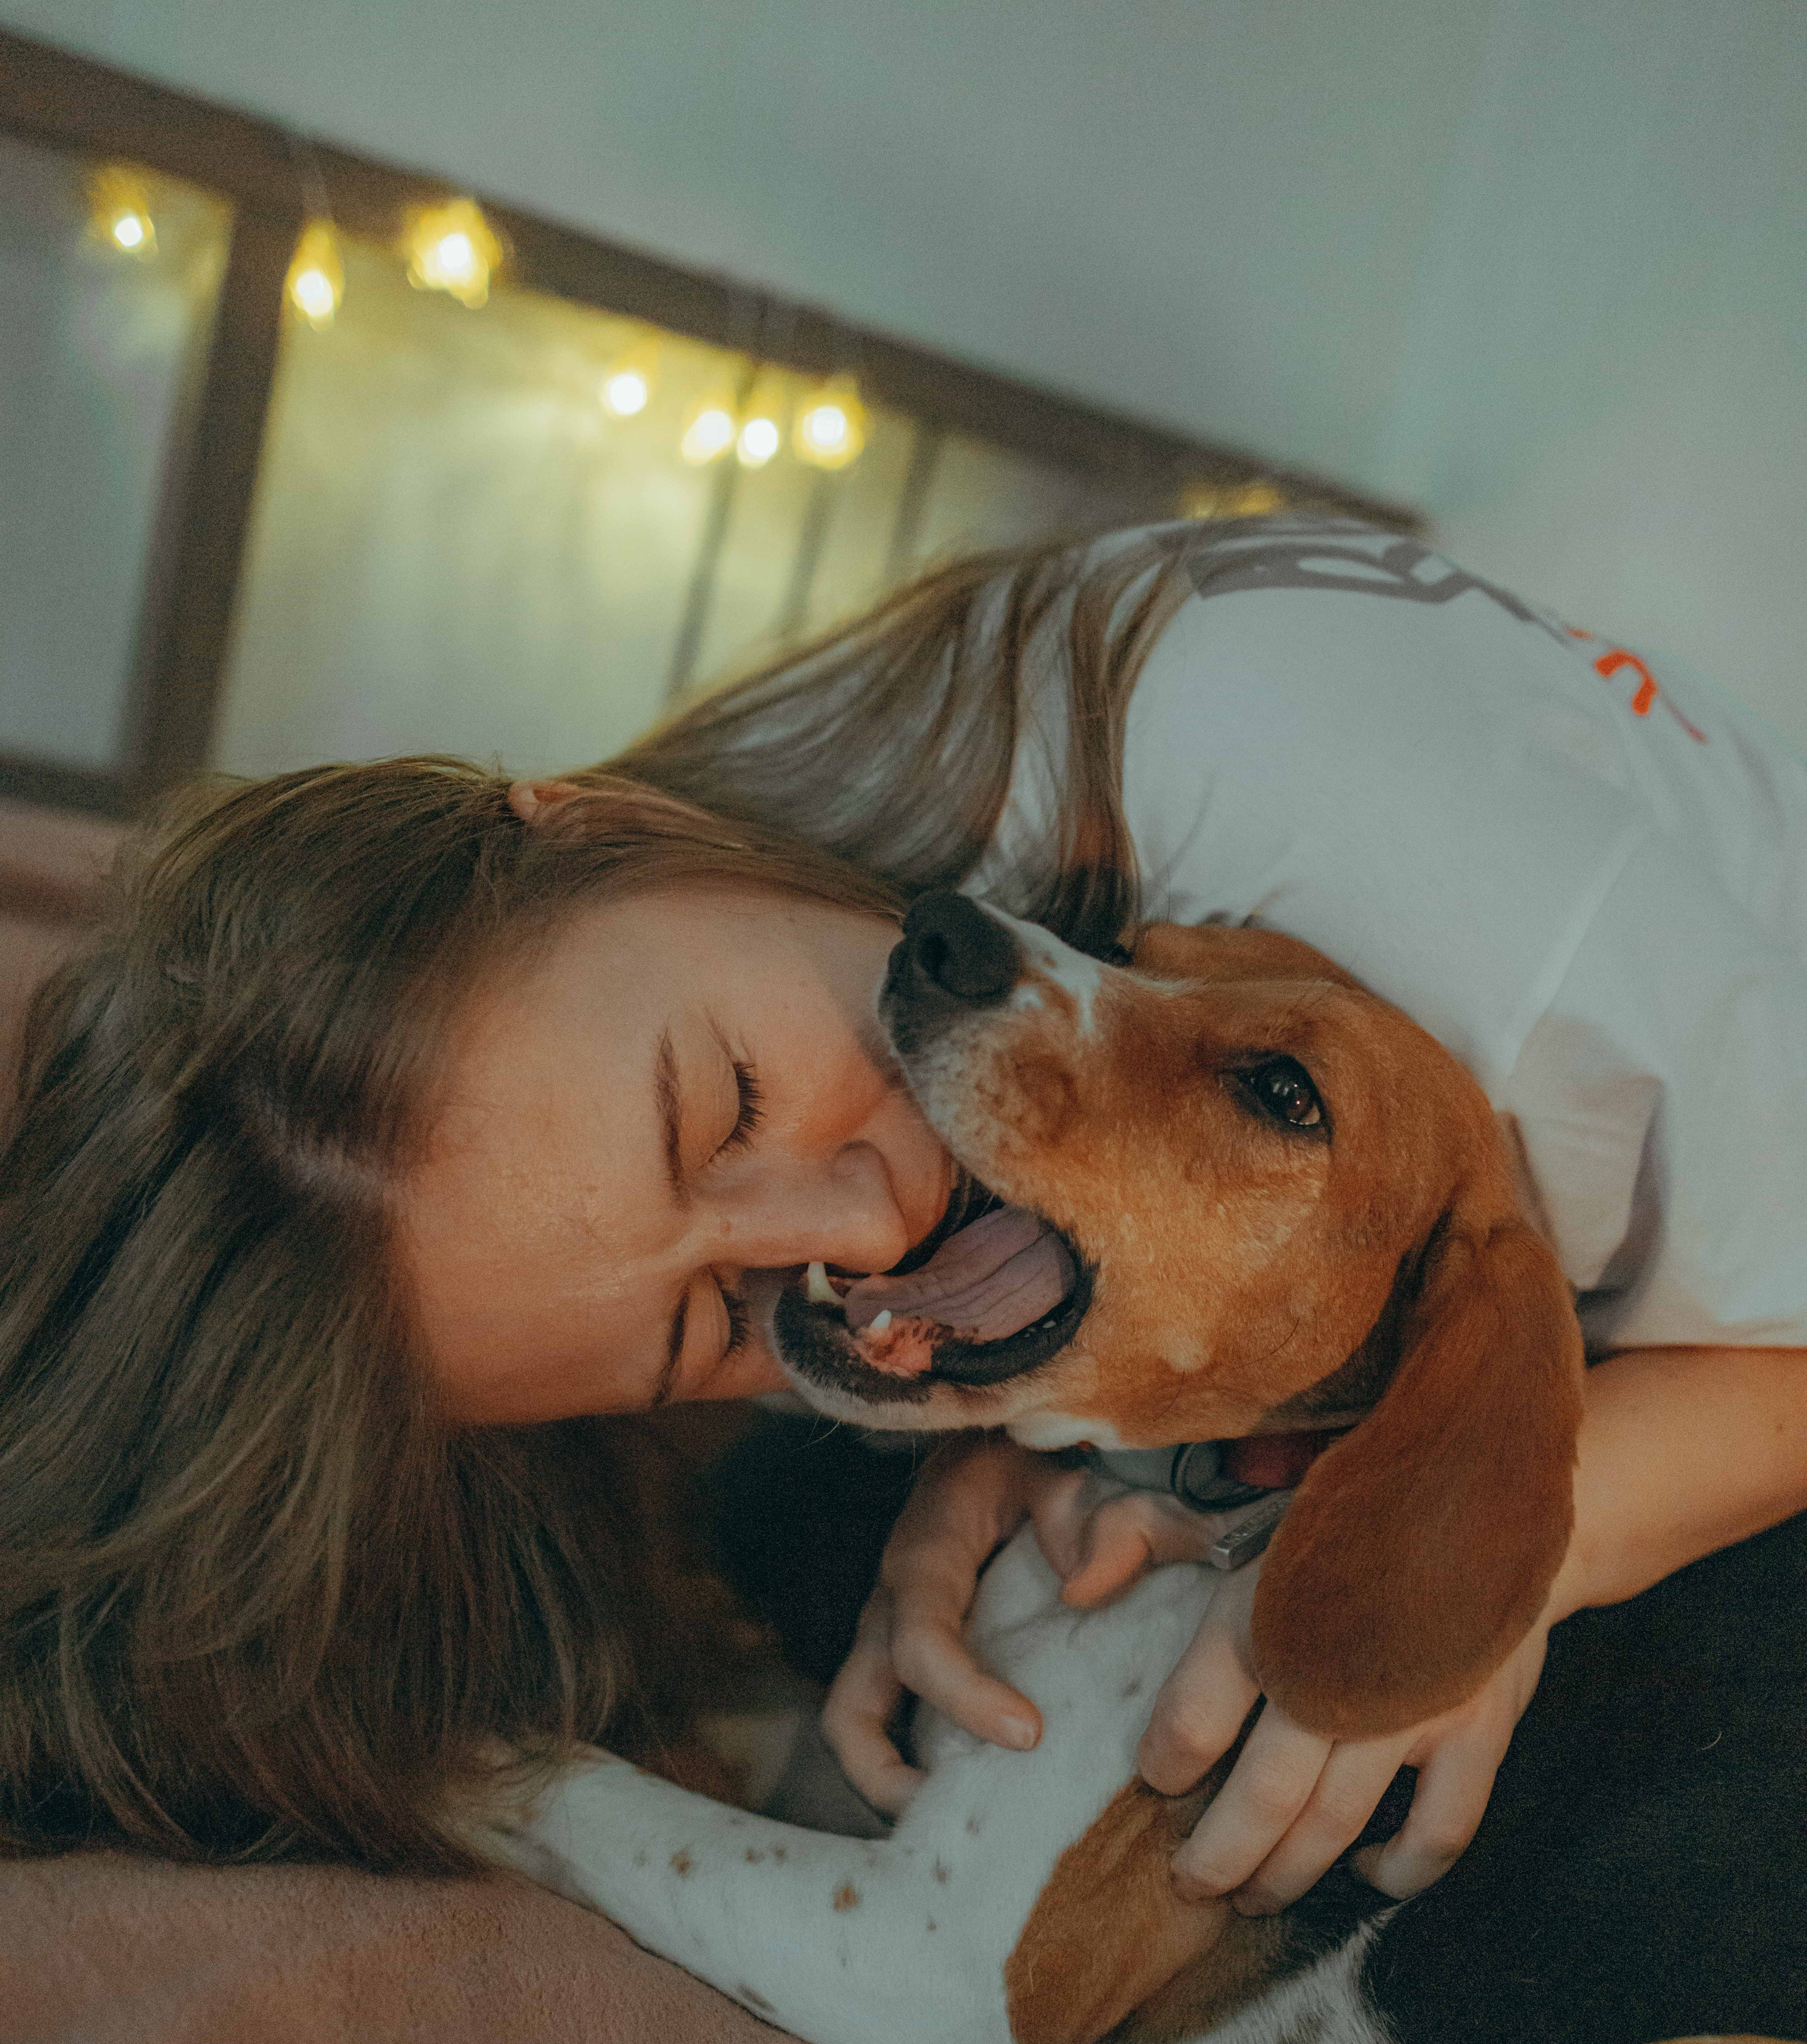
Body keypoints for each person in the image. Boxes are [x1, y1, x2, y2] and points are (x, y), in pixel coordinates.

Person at [3, 519, 1806, 1908]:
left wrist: (1474, 1569)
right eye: (719, 1319)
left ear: (607, 822)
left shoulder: (1453, 902)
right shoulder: (852, 925)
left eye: (730, 1101)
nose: (863, 1232)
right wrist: (1022, 1425)